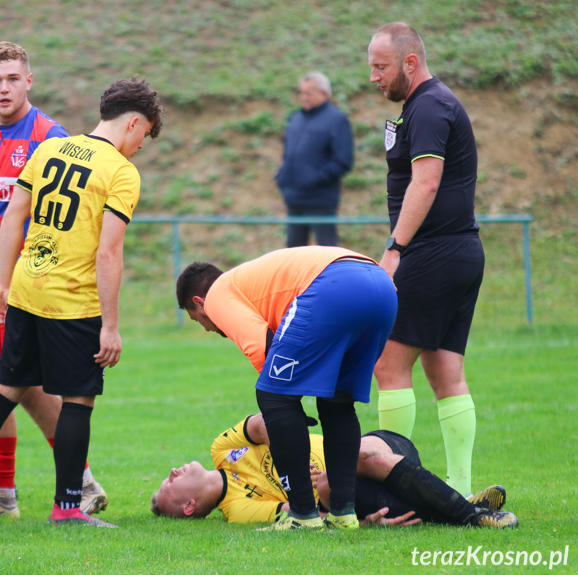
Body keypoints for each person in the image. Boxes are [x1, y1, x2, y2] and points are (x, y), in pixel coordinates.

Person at [0, 76, 164, 527]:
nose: (141, 146)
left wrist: (3, 284)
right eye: (146, 136)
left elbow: (13, 216)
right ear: (134, 123)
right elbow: (108, 251)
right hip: (72, 301)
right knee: (78, 400)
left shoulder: (50, 148)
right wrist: (111, 326)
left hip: (25, 287)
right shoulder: (120, 172)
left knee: (5, 389)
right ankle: (67, 508)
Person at [176, 247, 397, 530]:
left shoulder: (218, 294)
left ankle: (302, 514)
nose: (207, 328)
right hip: (381, 286)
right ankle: (343, 513)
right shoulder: (249, 283)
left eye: (198, 319)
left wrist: (283, 410)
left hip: (333, 285)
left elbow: (264, 350)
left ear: (200, 302)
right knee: (337, 401)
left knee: (272, 396)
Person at [368, 22, 484, 498]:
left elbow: (427, 183)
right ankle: (459, 488)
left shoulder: (431, 107)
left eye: (381, 66)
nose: (373, 76)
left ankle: (398, 488)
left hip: (432, 253)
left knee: (387, 366)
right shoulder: (426, 105)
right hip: (460, 252)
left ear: (409, 63)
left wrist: (395, 249)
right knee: (445, 374)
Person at [150, 413, 517, 528]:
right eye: (170, 484)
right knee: (329, 484)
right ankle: (471, 511)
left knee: (360, 451)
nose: (172, 470)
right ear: (188, 506)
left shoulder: (222, 449)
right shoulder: (238, 510)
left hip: (379, 445)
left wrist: (281, 434)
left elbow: (265, 423)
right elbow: (313, 512)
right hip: (356, 489)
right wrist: (365, 522)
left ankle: (465, 511)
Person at [275, 71, 353, 248]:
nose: (304, 97)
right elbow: (287, 154)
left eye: (308, 93)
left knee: (328, 251)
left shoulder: (337, 120)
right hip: (294, 198)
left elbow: (343, 160)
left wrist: (315, 179)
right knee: (292, 253)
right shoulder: (296, 119)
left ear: (324, 93)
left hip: (320, 200)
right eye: (301, 93)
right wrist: (282, 176)